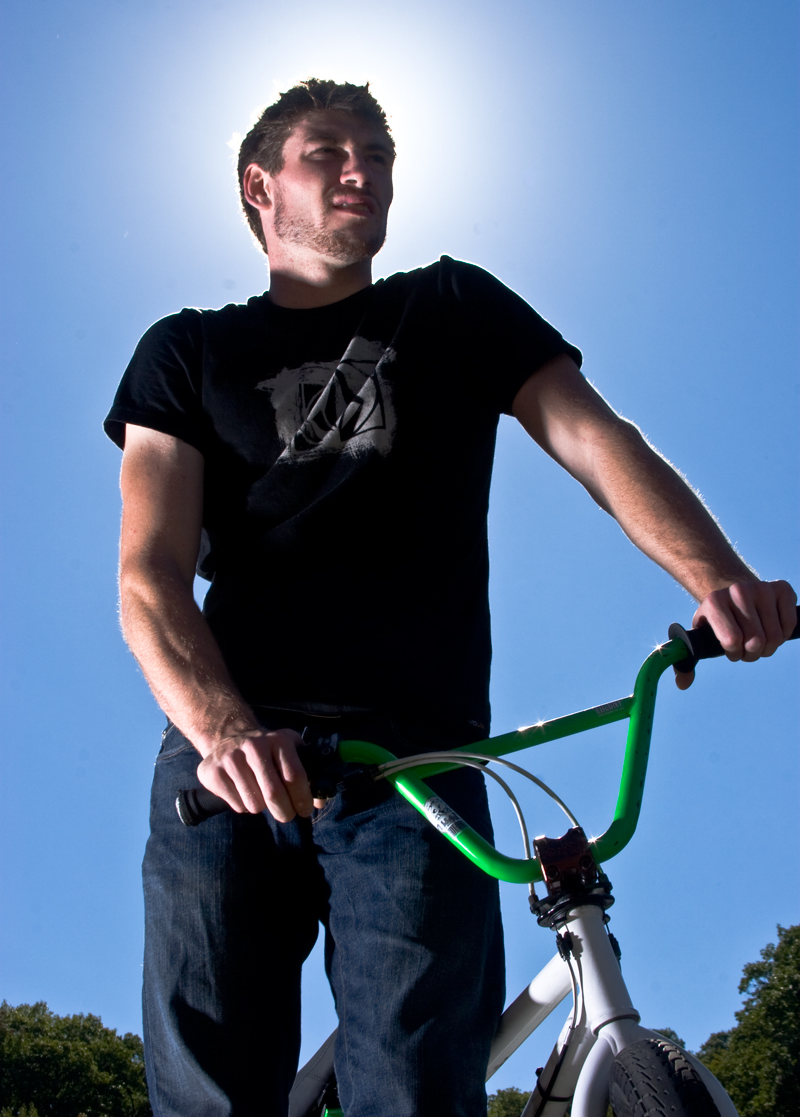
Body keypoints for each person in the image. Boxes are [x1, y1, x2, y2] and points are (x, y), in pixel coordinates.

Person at [105, 79, 796, 1117]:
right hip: (228, 763)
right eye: (327, 152)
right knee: (210, 1093)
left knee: (422, 1090)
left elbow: (594, 441)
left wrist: (715, 576)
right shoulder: (188, 350)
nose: (360, 171)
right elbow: (149, 575)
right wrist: (223, 731)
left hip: (416, 760)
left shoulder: (452, 305)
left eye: (377, 154)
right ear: (258, 187)